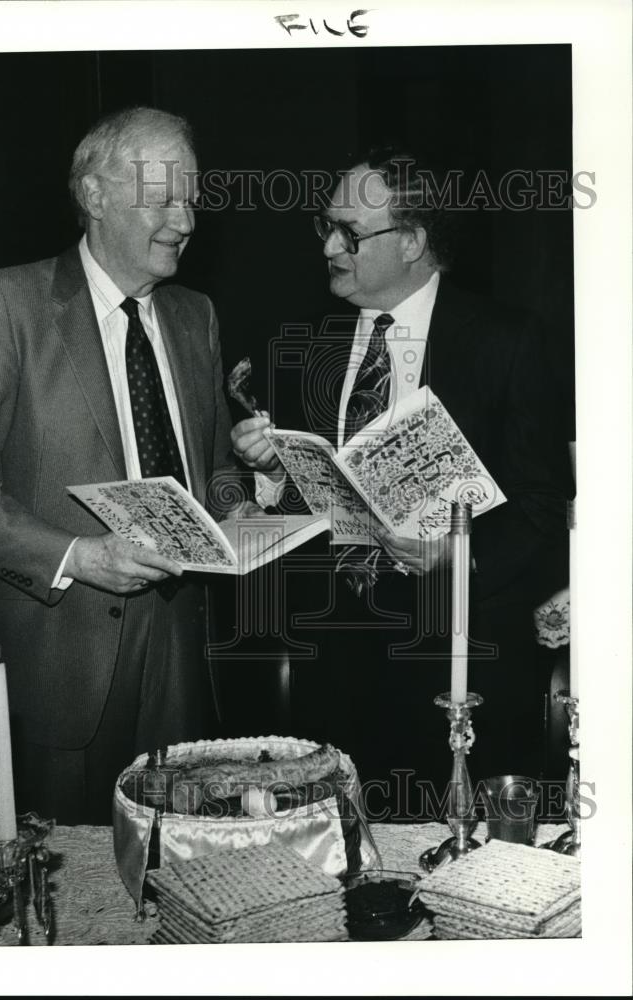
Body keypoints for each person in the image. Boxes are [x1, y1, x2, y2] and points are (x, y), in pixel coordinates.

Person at [0, 107, 237, 824]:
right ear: (94, 197)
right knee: (66, 889)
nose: (185, 220)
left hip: (182, 661)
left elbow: (213, 472)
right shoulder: (6, 303)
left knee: (184, 872)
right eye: (162, 199)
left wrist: (244, 505)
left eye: (192, 198)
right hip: (54, 664)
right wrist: (76, 556)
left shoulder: (198, 317)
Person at [231, 145, 571, 815]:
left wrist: (458, 552)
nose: (329, 244)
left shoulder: (507, 339)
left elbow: (541, 506)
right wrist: (270, 471)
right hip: (332, 655)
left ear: (411, 241)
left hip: (458, 653)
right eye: (323, 227)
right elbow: (310, 494)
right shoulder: (308, 340)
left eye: (349, 232)